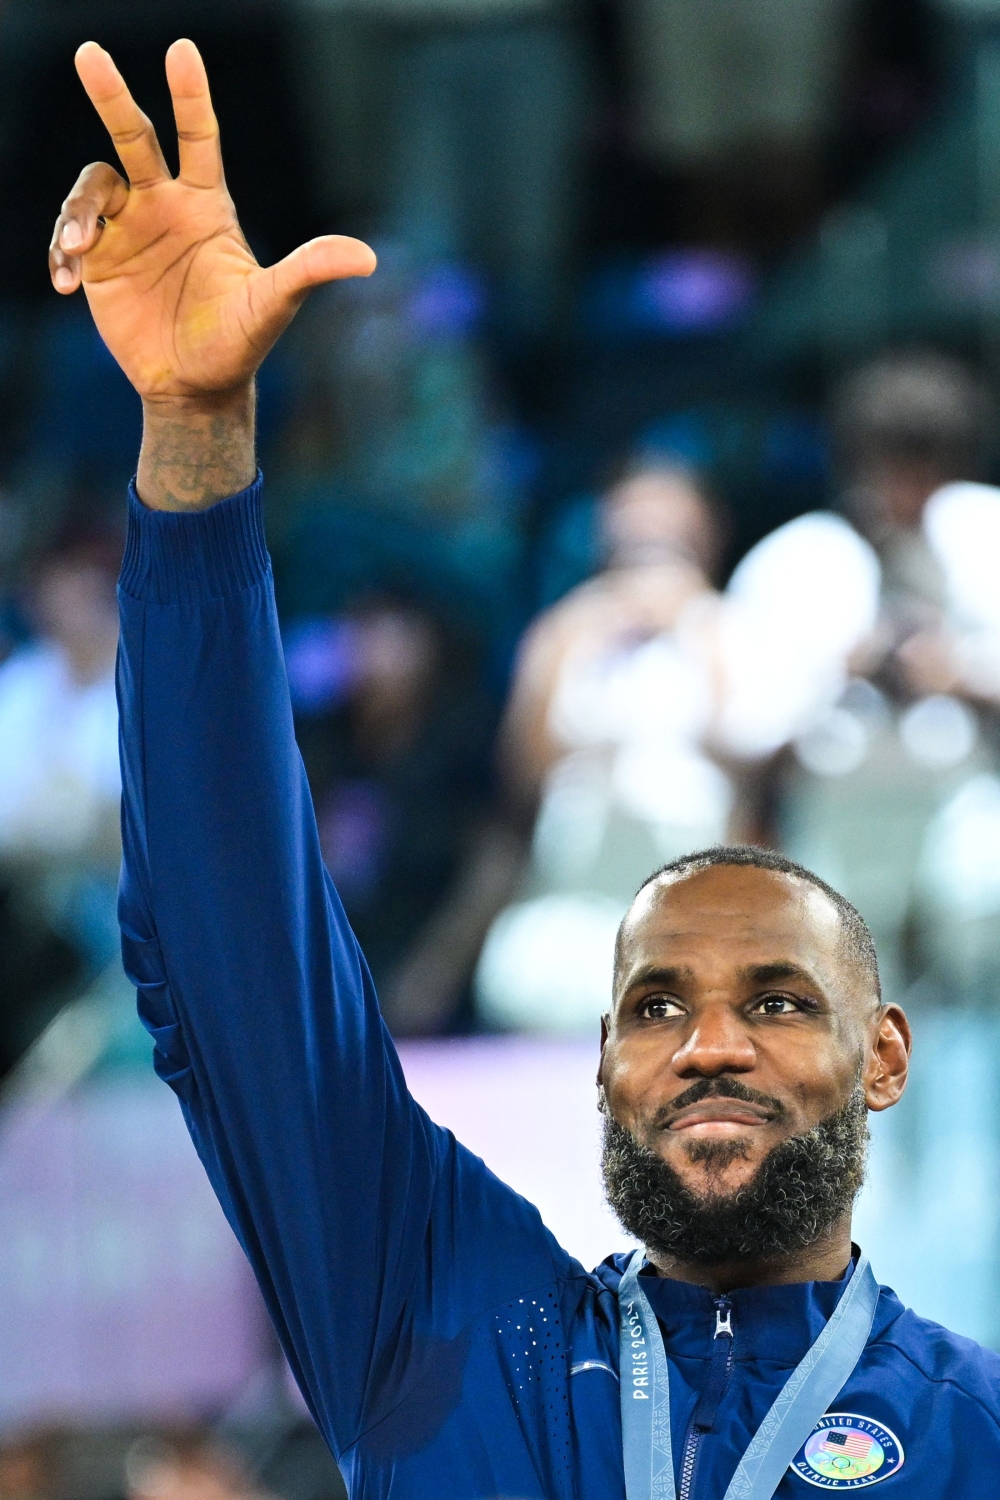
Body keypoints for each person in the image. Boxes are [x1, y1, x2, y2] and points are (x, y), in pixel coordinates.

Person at [49, 39, 1000, 1500]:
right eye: (657, 1005)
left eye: (781, 999)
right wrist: (194, 450)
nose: (710, 1045)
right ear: (603, 1067)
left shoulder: (975, 1428)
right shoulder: (434, 1316)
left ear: (882, 1055)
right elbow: (224, 937)